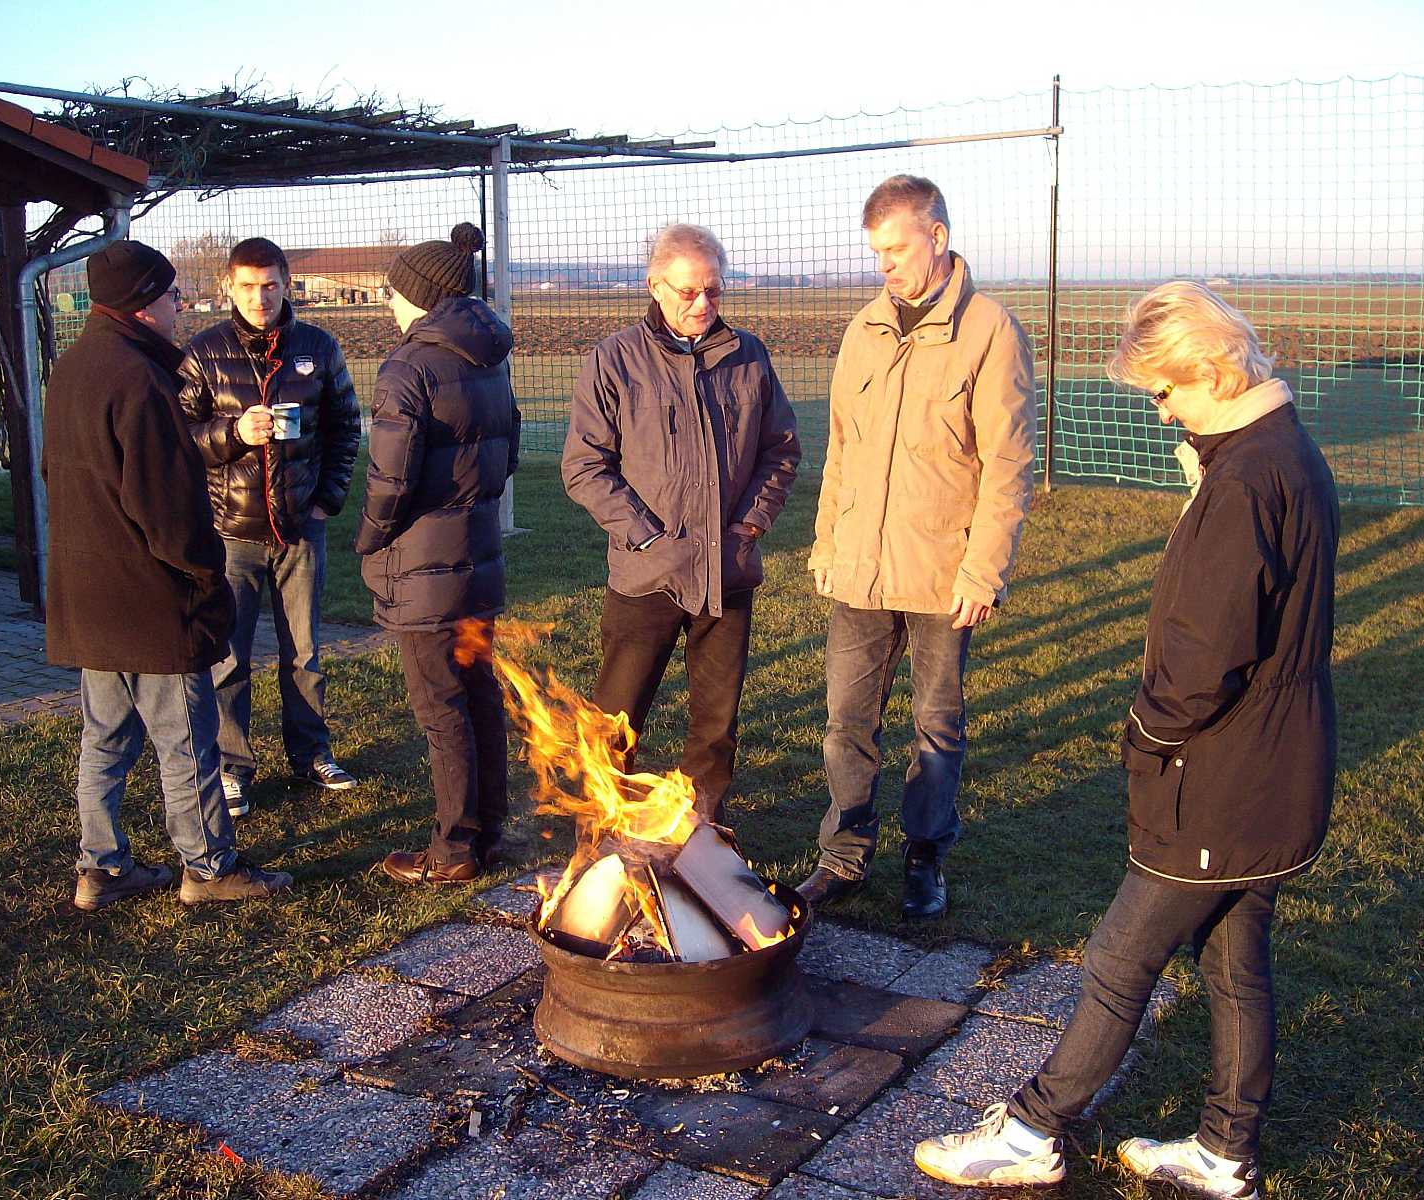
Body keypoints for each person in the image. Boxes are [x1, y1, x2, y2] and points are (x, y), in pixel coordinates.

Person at [912, 282, 1339, 1198]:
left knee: (1117, 959)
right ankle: (1225, 1153)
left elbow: (1204, 655)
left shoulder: (1247, 480)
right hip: (1283, 771)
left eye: (1165, 390)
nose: (1161, 411)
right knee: (1233, 962)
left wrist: (1146, 735)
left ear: (1210, 370)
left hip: (1224, 779)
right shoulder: (1283, 448)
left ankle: (1033, 1131)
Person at [798, 175, 1037, 920]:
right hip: (859, 570)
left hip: (943, 572)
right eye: (877, 253)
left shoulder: (990, 331)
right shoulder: (863, 329)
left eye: (897, 250)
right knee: (846, 722)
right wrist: (828, 544)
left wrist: (984, 570)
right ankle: (843, 856)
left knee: (936, 727)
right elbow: (842, 449)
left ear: (937, 236)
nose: (886, 267)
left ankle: (925, 856)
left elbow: (1007, 464)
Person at [43, 239, 292, 910]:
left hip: (89, 595)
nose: (180, 305)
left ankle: (101, 868)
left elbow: (53, 474)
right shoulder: (140, 380)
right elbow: (165, 505)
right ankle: (208, 869)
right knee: (186, 740)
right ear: (142, 304)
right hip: (151, 597)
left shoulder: (71, 368)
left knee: (105, 738)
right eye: (172, 294)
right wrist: (204, 577)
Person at [562, 223, 801, 824]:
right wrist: (646, 535)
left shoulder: (748, 356)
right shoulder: (615, 359)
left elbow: (780, 450)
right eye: (688, 292)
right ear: (655, 286)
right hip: (647, 574)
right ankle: (602, 831)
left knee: (716, 726)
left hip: (728, 571)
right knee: (616, 718)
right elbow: (585, 466)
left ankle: (700, 830)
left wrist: (748, 527)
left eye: (713, 291)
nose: (702, 304)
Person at [356, 223, 519, 884]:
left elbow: (389, 481)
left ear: (418, 295)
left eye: (394, 291)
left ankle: (453, 851)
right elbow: (507, 454)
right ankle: (490, 831)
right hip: (478, 558)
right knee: (478, 694)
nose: (389, 302)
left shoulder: (408, 366)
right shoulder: (489, 356)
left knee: (440, 707)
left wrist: (370, 538)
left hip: (423, 569)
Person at [178, 237, 361, 816]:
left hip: (301, 530)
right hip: (230, 534)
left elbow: (345, 427)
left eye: (270, 286)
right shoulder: (204, 352)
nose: (259, 298)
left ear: (286, 284)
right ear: (229, 287)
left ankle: (311, 754)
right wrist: (234, 434)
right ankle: (232, 766)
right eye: (248, 287)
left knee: (303, 652)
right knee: (229, 657)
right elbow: (178, 438)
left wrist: (327, 499)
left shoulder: (318, 347)